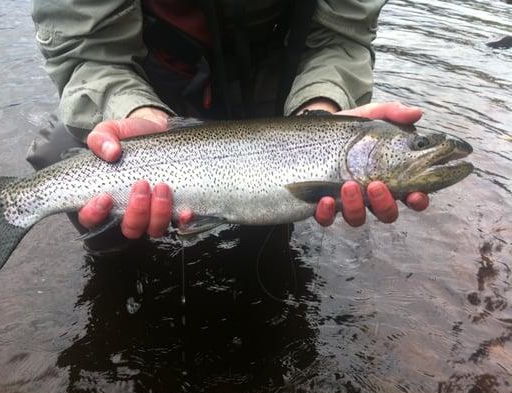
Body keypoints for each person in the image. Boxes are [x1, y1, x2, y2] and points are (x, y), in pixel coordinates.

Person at [29, 0, 429, 251]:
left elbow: (341, 35)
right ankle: (116, 266)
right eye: (416, 147)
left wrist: (321, 107)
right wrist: (136, 113)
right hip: (156, 74)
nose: (420, 151)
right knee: (57, 152)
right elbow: (85, 50)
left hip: (278, 79)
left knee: (271, 226)